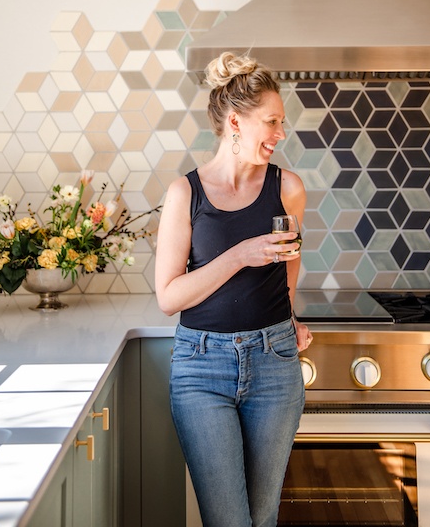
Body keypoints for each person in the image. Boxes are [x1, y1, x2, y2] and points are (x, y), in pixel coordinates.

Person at [155, 51, 313, 527]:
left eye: (282, 123)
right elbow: (168, 297)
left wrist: (289, 320)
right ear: (236, 121)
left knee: (262, 519)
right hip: (201, 369)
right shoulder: (186, 194)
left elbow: (286, 276)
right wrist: (240, 254)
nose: (281, 134)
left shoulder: (289, 188)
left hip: (275, 364)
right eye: (272, 122)